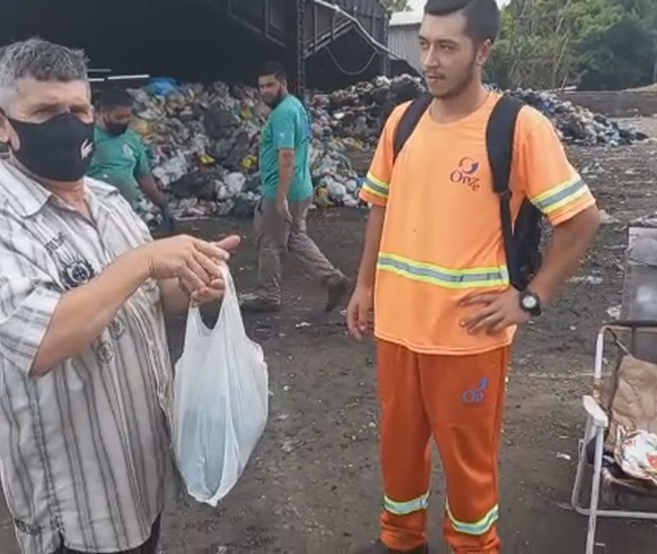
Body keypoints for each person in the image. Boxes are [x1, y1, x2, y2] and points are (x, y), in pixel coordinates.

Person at [0, 38, 239, 554]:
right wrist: (144, 260)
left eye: (78, 109)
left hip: (137, 471)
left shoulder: (106, 200)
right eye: (44, 111)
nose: (67, 125)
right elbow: (44, 342)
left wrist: (196, 283)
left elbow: (153, 294)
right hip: (75, 503)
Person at [347, 1, 601, 552]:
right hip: (398, 333)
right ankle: (400, 541)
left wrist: (531, 300)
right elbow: (379, 207)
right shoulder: (403, 121)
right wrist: (364, 285)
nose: (429, 62)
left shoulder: (517, 127)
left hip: (467, 342)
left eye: (447, 47)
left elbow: (582, 220)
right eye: (425, 45)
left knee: (469, 475)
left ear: (483, 51)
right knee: (398, 459)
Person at [241, 61, 350, 313]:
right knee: (296, 237)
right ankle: (333, 279)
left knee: (269, 241)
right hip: (301, 188)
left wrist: (279, 198)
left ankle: (268, 295)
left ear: (283, 83)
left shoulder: (282, 114)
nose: (265, 91)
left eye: (270, 85)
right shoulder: (296, 106)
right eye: (261, 86)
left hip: (282, 189)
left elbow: (287, 156)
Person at [87, 87, 174, 232]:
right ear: (103, 112)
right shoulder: (85, 138)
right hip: (97, 215)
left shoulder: (131, 138)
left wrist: (163, 205)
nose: (124, 121)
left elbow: (144, 178)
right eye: (119, 117)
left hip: (130, 212)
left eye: (128, 117)